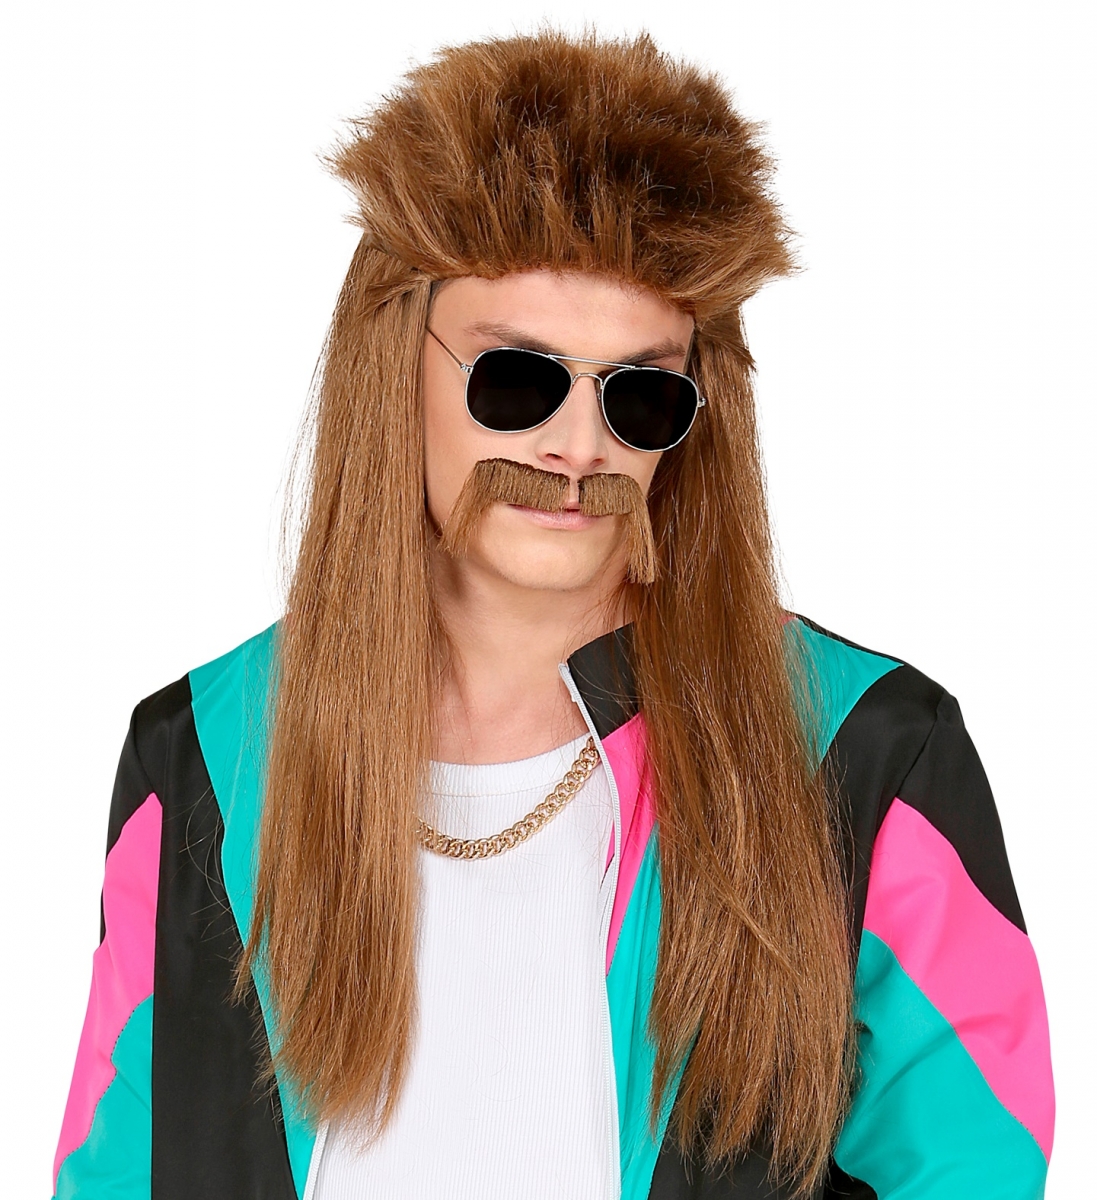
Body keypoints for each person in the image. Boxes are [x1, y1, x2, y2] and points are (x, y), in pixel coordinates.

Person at [51, 30, 1053, 1200]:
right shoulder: (202, 757)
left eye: (639, 395)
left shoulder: (861, 747)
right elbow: (114, 1170)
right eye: (515, 380)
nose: (576, 447)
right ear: (395, 364)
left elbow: (969, 1165)